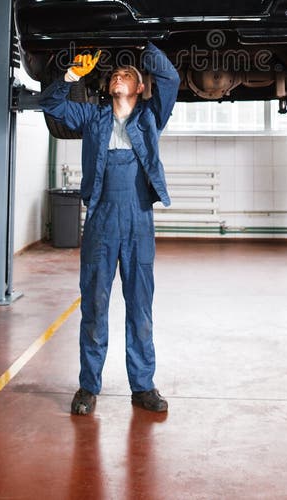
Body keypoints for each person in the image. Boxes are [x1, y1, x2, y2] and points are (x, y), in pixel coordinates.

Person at [39, 42, 180, 415]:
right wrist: (70, 76)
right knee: (95, 306)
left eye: (128, 75)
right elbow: (50, 105)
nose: (120, 76)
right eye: (116, 74)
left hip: (138, 220)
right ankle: (88, 386)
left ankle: (143, 385)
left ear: (138, 88)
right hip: (101, 220)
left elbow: (171, 77)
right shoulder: (93, 118)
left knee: (139, 307)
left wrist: (143, 48)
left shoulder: (151, 117)